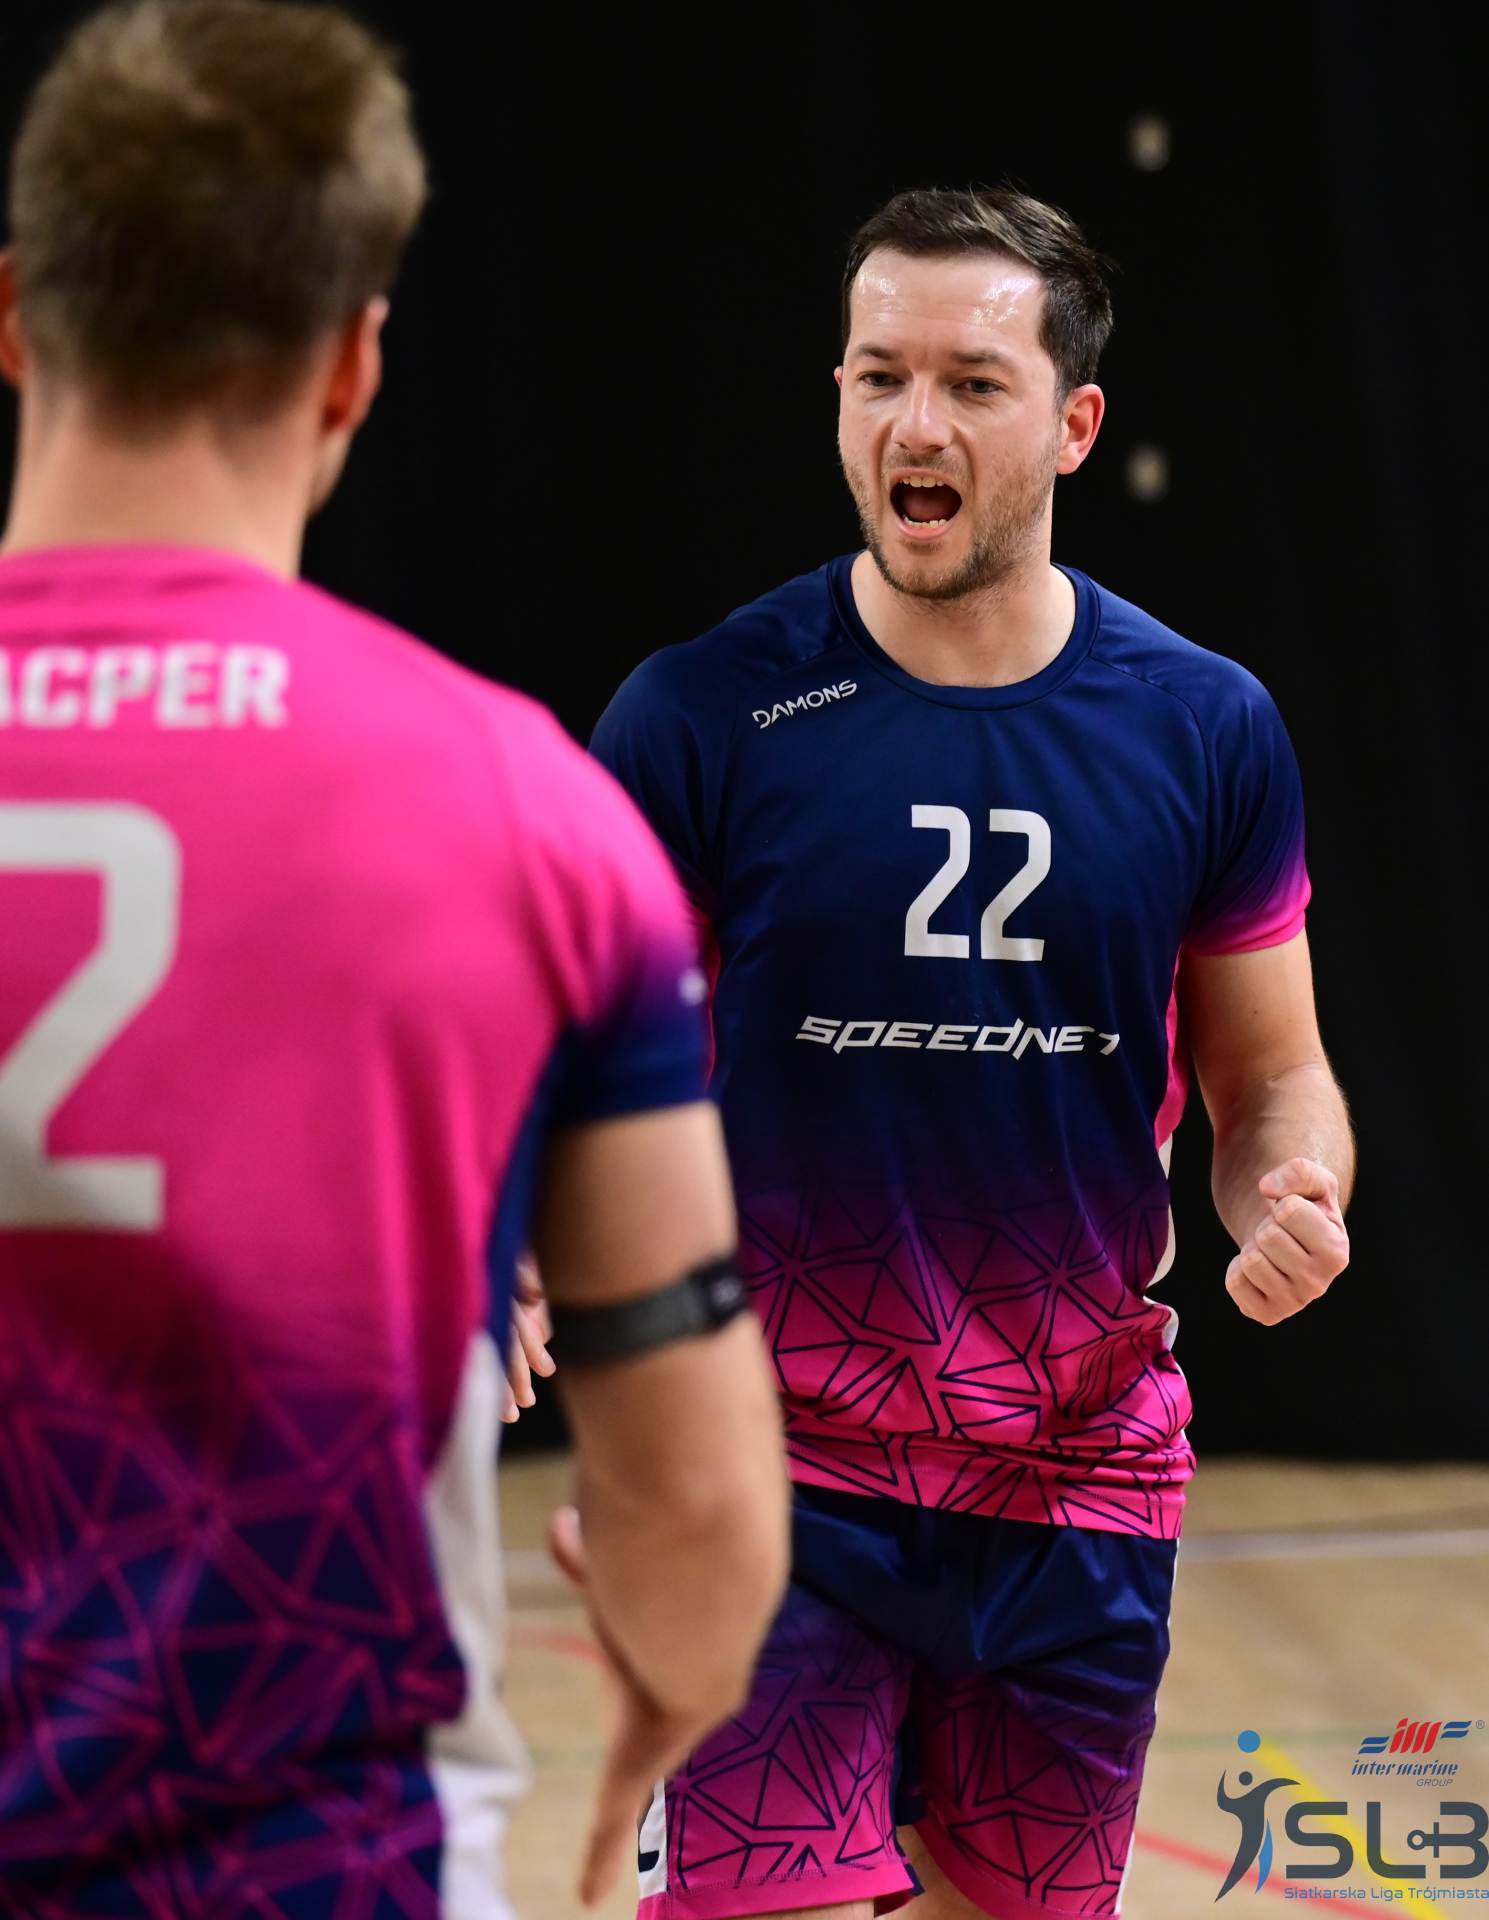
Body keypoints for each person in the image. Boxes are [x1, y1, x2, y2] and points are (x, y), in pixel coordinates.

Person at [0, 3, 787, 1915]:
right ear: (354, 364)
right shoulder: (523, 814)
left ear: (17, 316)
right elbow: (692, 1503)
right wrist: (672, 1691)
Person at [586, 185, 1355, 1920]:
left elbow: (1270, 1077)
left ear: (1073, 424)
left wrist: (1288, 1185)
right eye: (878, 377)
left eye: (970, 383)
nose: (912, 426)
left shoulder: (1203, 725)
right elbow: (588, 1060)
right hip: (763, 1466)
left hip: (1076, 1476)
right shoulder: (702, 714)